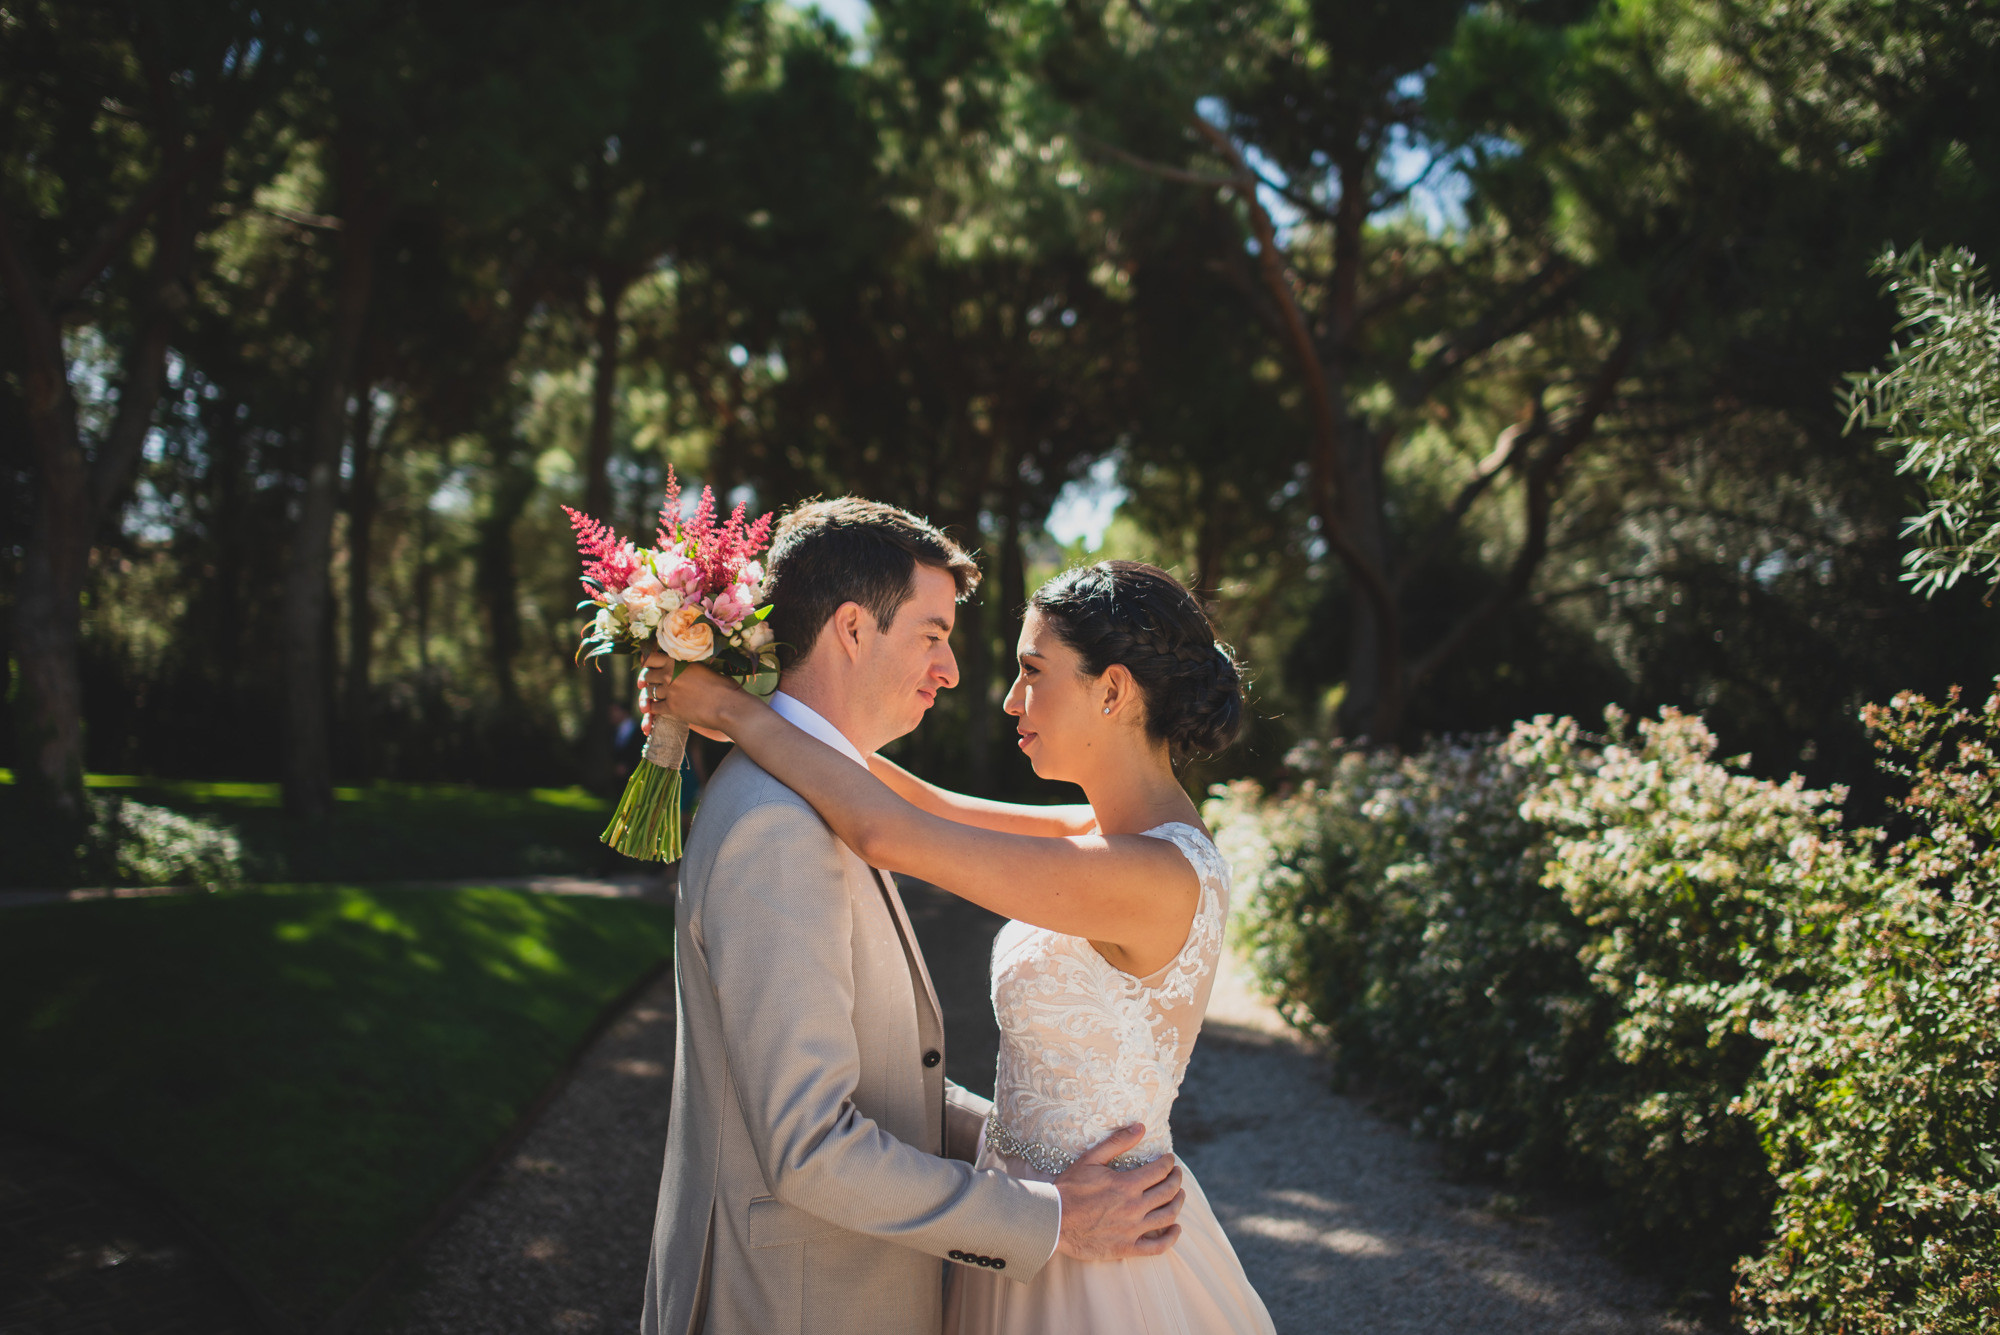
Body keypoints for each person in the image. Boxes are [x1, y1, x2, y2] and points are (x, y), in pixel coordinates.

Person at [647, 556, 1277, 1335]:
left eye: (1032, 671)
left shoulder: (1150, 874)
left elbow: (889, 832)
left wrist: (734, 713)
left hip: (1099, 1251)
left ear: (1112, 691)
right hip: (1040, 1213)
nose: (1010, 697)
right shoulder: (1103, 833)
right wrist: (765, 712)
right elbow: (926, 801)